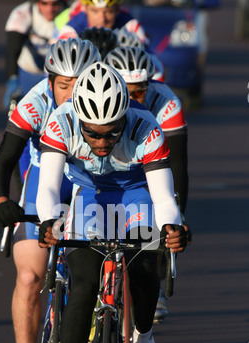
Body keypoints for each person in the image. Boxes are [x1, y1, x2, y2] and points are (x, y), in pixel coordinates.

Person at [36, 62, 187, 343]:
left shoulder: (146, 126)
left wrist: (172, 226)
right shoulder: (61, 121)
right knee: (84, 285)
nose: (102, 143)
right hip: (89, 196)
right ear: (79, 120)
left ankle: (144, 337)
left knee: (142, 265)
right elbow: (49, 189)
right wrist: (51, 221)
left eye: (111, 134)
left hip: (136, 194)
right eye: (93, 135)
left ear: (125, 117)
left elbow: (164, 197)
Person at [0, 38, 101, 343]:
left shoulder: (107, 93)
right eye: (64, 85)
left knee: (104, 256)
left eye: (80, 82)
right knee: (29, 275)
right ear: (50, 81)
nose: (72, 93)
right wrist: (1, 200)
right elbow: (3, 157)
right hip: (44, 184)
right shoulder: (36, 101)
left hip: (89, 186)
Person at [104, 45, 190, 321]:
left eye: (140, 90)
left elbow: (177, 166)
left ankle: (153, 277)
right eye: (127, 89)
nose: (133, 97)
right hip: (108, 169)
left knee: (161, 218)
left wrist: (176, 217)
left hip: (151, 166)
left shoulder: (167, 102)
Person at [3, 0, 70, 111]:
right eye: (44, 4)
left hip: (57, 75)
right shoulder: (22, 13)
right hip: (29, 73)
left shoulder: (69, 13)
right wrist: (12, 79)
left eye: (55, 4)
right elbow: (12, 50)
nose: (50, 9)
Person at [56, 0, 147, 43]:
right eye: (95, 11)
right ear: (86, 9)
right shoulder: (72, 29)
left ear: (117, 10)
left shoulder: (131, 25)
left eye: (108, 11)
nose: (102, 18)